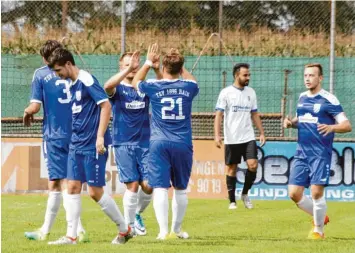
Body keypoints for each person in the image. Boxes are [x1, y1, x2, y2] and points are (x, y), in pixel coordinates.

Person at [46, 48, 133, 245]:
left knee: (95, 192)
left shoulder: (86, 80)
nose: (58, 75)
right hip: (76, 144)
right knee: (73, 187)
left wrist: (100, 137)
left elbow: (106, 105)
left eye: (59, 70)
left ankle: (124, 229)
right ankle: (71, 236)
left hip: (92, 146)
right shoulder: (72, 84)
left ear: (68, 64)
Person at [132, 44, 199, 240]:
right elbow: (191, 80)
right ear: (181, 68)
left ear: (163, 67)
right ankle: (176, 229)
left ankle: (162, 232)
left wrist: (148, 63)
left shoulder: (153, 86)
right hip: (182, 143)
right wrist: (179, 63)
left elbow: (137, 81)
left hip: (159, 143)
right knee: (180, 189)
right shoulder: (189, 87)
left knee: (160, 187)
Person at [23, 40, 87, 242]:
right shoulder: (76, 72)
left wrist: (27, 111)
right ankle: (47, 230)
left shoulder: (41, 73)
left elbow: (35, 105)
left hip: (55, 135)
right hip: (77, 133)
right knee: (61, 183)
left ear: (45, 58)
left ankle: (74, 232)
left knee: (61, 183)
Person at [284, 63, 351, 240]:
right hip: (302, 152)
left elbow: (347, 125)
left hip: (320, 152)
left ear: (320, 78)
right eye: (305, 75)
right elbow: (303, 119)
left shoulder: (329, 100)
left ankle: (318, 231)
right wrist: (292, 123)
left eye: (312, 76)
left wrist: (331, 127)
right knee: (294, 193)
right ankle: (319, 216)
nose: (307, 79)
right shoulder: (302, 97)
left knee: (315, 192)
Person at [103, 51, 161, 235]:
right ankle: (128, 226)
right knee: (133, 185)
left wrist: (156, 68)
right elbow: (107, 86)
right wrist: (128, 69)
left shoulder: (144, 87)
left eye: (134, 64)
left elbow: (162, 85)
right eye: (127, 64)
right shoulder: (118, 88)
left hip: (145, 142)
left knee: (150, 185)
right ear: (121, 67)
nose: (131, 67)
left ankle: (137, 213)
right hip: (123, 142)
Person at [214, 63, 266, 210]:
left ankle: (245, 194)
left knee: (253, 165)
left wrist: (261, 132)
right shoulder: (226, 93)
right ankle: (232, 201)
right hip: (232, 138)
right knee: (232, 169)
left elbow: (254, 114)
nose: (248, 77)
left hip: (248, 136)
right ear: (237, 75)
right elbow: (218, 115)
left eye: (249, 75)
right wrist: (217, 135)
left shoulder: (251, 92)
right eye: (245, 75)